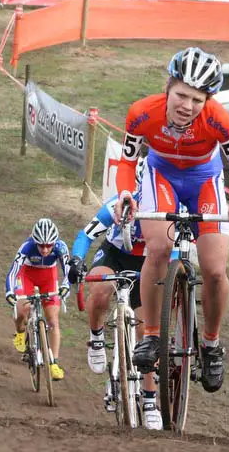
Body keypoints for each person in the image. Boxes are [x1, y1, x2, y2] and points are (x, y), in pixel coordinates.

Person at [113, 47, 229, 394]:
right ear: (168, 88)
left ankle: (211, 343)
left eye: (196, 99)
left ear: (207, 100)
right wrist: (125, 194)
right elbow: (128, 162)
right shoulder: (141, 114)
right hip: (161, 174)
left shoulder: (218, 119)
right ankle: (150, 335)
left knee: (215, 269)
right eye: (181, 95)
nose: (187, 106)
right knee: (158, 249)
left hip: (205, 181)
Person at [67, 177, 164, 430]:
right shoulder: (120, 203)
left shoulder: (166, 206)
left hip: (148, 265)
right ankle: (97, 336)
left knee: (148, 332)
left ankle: (150, 399)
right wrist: (77, 259)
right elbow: (86, 234)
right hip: (116, 255)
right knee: (99, 291)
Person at [5, 219, 71, 381]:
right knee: (22, 309)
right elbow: (13, 271)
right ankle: (20, 332)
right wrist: (9, 292)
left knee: (53, 321)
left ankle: (54, 362)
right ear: (35, 241)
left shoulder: (60, 247)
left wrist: (65, 286)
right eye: (41, 245)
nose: (45, 249)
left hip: (48, 278)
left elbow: (69, 270)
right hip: (26, 275)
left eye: (49, 245)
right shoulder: (27, 246)